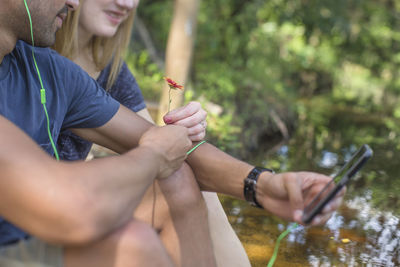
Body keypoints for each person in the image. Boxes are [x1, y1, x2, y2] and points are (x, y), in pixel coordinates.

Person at [0, 0, 344, 266]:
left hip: (38, 226)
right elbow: (79, 206)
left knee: (177, 179)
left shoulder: (51, 69)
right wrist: (153, 154)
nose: (73, 2)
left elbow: (160, 142)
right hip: (32, 228)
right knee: (136, 245)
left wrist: (264, 186)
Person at [52, 0, 251, 266]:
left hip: (73, 207)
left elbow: (160, 147)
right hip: (35, 216)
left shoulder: (110, 67)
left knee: (181, 176)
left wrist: (184, 131)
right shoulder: (27, 50)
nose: (127, 4)